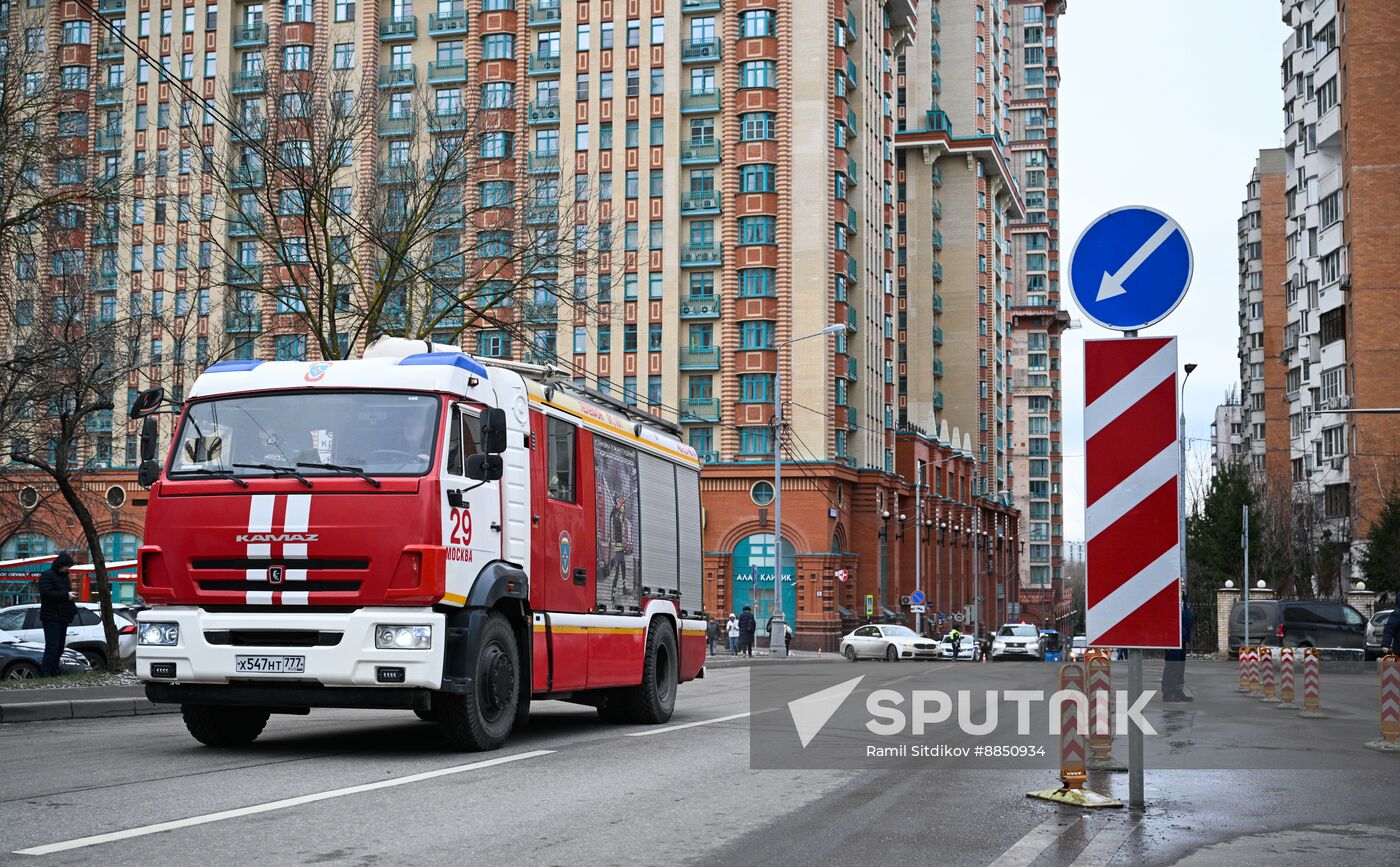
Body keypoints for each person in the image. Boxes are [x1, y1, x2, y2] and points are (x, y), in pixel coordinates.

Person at [37, 553, 78, 677]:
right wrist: (67, 595)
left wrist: (71, 601)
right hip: (51, 617)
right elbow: (46, 594)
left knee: (59, 648)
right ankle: (45, 673)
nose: (68, 569)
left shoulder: (65, 577)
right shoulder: (47, 575)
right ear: (61, 564)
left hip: (62, 617)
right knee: (52, 647)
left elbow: (61, 594)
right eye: (67, 566)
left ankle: (54, 671)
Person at [1162, 593, 1195, 702]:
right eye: (1181, 581)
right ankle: (1168, 693)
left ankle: (1178, 691)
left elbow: (1187, 619)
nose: (1183, 583)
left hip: (1182, 638)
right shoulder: (1171, 601)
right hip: (1172, 639)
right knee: (1172, 666)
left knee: (1180, 667)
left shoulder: (1183, 602)